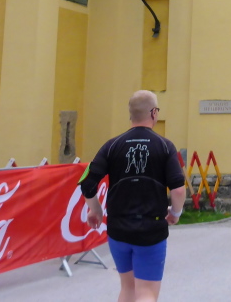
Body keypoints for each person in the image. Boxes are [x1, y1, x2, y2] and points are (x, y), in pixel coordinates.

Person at [79, 90, 186, 302]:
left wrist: (96, 210)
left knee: (128, 288)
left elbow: (87, 183)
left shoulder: (112, 146)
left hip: (118, 229)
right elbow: (179, 189)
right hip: (151, 229)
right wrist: (175, 213)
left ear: (131, 114)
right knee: (146, 292)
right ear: (154, 113)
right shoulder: (165, 146)